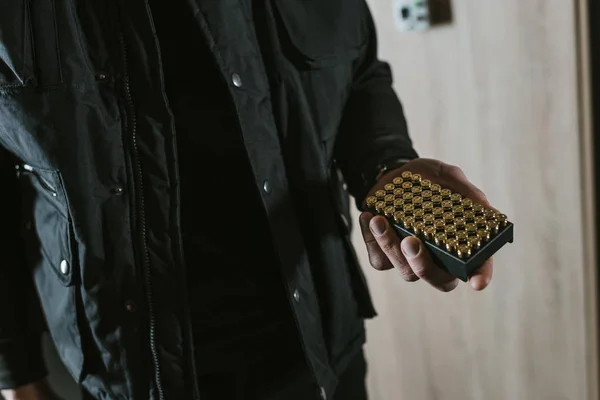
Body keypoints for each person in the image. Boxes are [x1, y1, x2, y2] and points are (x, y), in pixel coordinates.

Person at [0, 0, 493, 399]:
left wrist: (387, 168)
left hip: (318, 351)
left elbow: (356, 71)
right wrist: (15, 374)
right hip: (126, 373)